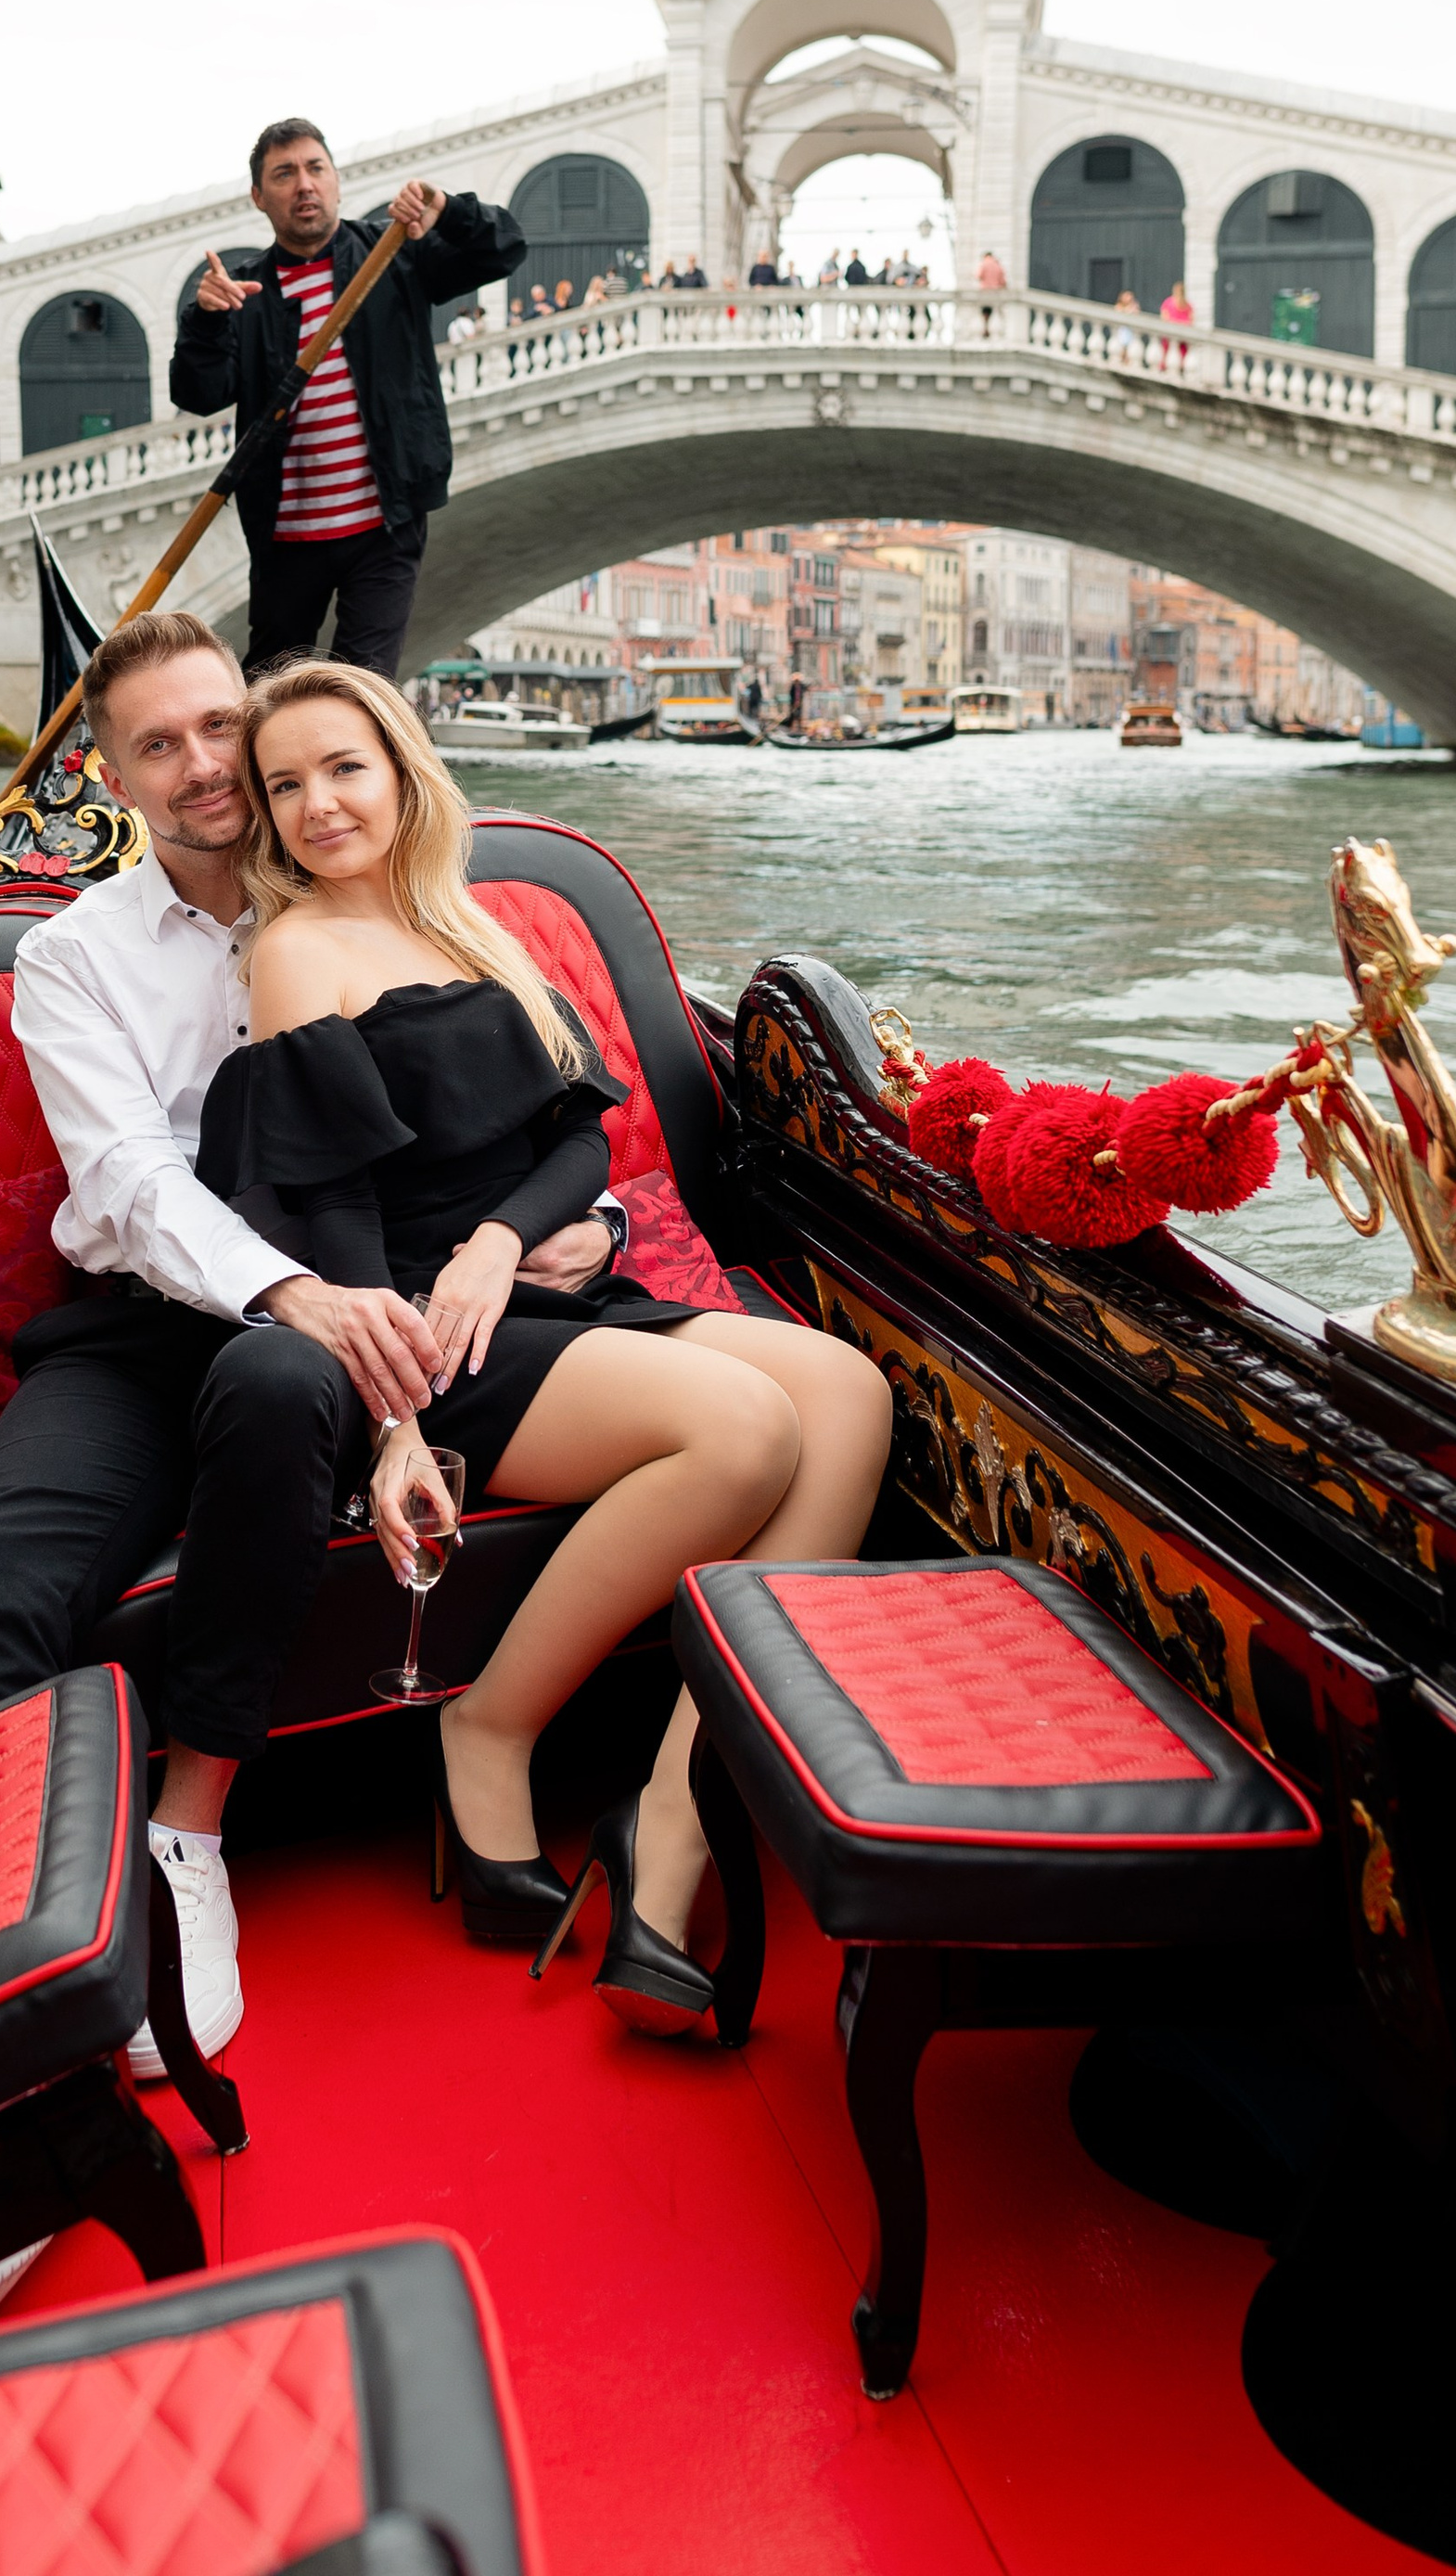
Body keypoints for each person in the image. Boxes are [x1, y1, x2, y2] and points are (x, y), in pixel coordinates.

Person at [203, 660, 893, 2026]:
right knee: (745, 1430)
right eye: (285, 785)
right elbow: (333, 1203)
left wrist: (505, 1237)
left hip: (527, 1287)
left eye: (344, 767)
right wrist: (394, 1418)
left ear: (403, 772)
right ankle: (489, 1724)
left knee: (849, 1392)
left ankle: (672, 1817)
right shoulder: (294, 952)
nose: (318, 804)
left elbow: (581, 1137)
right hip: (426, 1334)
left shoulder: (471, 925)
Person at [0, 611, 531, 2071]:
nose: (203, 766)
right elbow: (130, 1184)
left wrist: (574, 1227)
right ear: (109, 777)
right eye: (158, 746)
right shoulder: (73, 956)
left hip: (338, 1318)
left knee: (274, 1382)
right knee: (1, 1575)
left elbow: (520, 1107)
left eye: (218, 729)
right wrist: (289, 1287)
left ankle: (186, 1845)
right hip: (148, 1327)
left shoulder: (377, 894)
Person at [172, 117, 521, 680]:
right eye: (284, 174)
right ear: (259, 196)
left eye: (316, 168)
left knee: (363, 688)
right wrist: (205, 321)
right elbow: (199, 393)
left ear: (336, 180)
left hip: (384, 524)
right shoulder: (244, 293)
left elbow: (504, 249)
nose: (304, 185)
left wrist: (446, 209)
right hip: (285, 535)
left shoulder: (394, 255)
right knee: (268, 685)